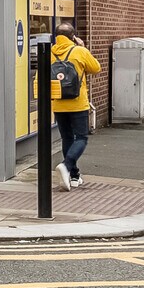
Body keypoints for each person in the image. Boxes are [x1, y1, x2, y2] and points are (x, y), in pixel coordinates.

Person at [48, 21, 100, 191]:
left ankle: (74, 175)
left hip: (59, 104)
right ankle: (66, 165)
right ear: (73, 37)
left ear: (56, 37)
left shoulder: (49, 53)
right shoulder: (79, 51)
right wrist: (83, 47)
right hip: (78, 103)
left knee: (67, 138)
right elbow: (95, 68)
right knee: (82, 138)